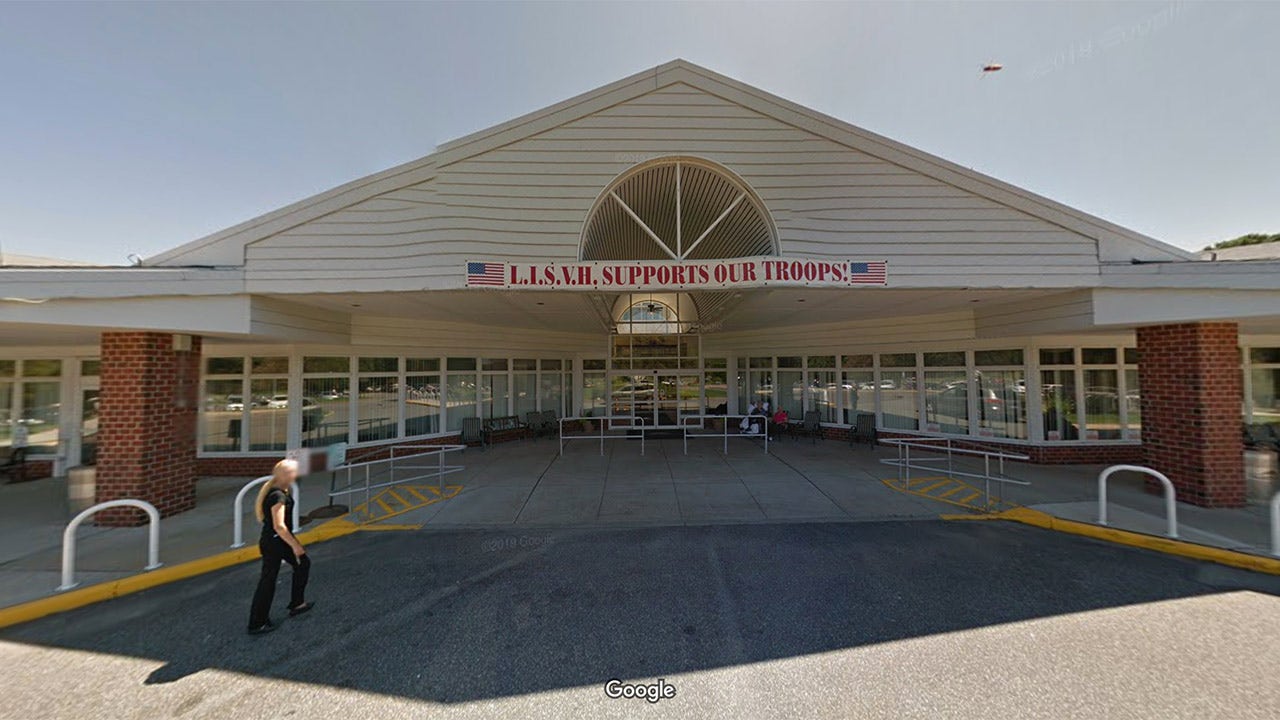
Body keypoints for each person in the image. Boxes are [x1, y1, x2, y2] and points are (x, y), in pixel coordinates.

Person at [247, 459, 313, 634]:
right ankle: (257, 622)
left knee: (300, 565)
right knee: (270, 579)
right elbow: (279, 526)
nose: (296, 475)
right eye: (294, 472)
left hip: (273, 541)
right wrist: (295, 545)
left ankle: (297, 604)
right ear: (285, 474)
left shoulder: (276, 491)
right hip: (277, 541)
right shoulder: (278, 496)